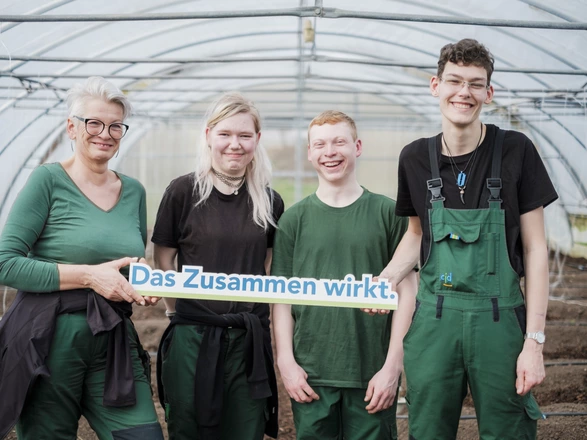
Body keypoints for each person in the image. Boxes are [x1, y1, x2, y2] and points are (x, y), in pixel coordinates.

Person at [379, 39, 558, 439]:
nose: (464, 92)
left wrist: (534, 342)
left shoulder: (516, 150)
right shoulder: (414, 158)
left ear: (488, 93)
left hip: (499, 321)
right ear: (436, 85)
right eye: (455, 81)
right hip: (434, 321)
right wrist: (387, 278)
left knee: (508, 429)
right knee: (428, 429)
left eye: (476, 84)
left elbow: (535, 249)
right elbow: (416, 235)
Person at [0, 76, 163, 440]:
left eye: (115, 126)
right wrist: (89, 276)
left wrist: (141, 278)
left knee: (143, 435)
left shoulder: (133, 191)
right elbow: (5, 262)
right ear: (72, 128)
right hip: (49, 339)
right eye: (94, 123)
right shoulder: (47, 181)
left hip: (113, 339)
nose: (105, 133)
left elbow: (127, 261)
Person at [271, 110, 418, 440]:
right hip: (311, 374)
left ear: (357, 147)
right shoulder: (294, 220)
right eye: (320, 144)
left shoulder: (388, 214)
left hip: (371, 374)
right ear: (310, 153)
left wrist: (393, 366)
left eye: (339, 142)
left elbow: (408, 291)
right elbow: (281, 299)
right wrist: (286, 362)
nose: (330, 152)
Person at [152, 92, 284, 440]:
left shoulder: (269, 201)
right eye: (225, 134)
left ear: (257, 139)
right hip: (193, 335)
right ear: (209, 135)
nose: (234, 144)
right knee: (189, 426)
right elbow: (163, 258)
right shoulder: (183, 192)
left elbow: (267, 264)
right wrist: (174, 310)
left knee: (245, 428)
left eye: (244, 135)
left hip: (248, 338)